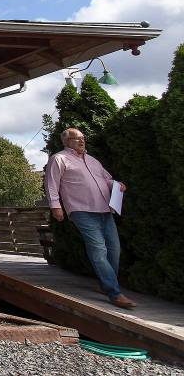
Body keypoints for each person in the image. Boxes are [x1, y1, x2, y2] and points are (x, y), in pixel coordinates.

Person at [45, 128, 134, 309]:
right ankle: (114, 292)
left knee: (114, 248)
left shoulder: (92, 160)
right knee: (98, 249)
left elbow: (106, 179)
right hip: (81, 210)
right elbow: (51, 184)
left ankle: (106, 283)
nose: (81, 141)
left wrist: (117, 185)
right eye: (77, 138)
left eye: (83, 138)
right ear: (66, 141)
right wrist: (56, 206)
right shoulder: (59, 158)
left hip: (104, 209)